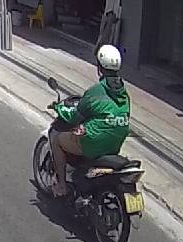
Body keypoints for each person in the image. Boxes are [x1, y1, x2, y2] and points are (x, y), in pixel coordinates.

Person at [49, 44, 131, 198]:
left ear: (99, 67)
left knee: (57, 141)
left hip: (93, 143)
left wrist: (60, 108)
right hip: (115, 144)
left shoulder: (96, 91)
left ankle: (62, 186)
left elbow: (75, 116)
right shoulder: (124, 93)